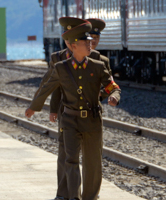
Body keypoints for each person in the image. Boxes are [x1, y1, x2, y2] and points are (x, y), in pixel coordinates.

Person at [25, 21, 121, 200]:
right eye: (87, 41)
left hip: (91, 117)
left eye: (93, 40)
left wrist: (109, 96)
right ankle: (68, 195)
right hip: (68, 115)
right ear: (72, 44)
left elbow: (111, 86)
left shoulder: (98, 63)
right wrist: (37, 107)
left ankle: (90, 196)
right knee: (68, 158)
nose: (91, 44)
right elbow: (49, 87)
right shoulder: (60, 62)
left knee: (92, 161)